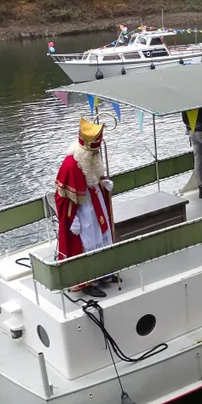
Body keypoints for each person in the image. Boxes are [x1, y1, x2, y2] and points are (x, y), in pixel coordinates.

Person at [54, 117, 115, 297]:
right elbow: (62, 197)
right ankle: (87, 280)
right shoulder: (71, 165)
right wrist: (72, 220)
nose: (96, 156)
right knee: (88, 241)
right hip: (82, 212)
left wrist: (103, 183)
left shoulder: (91, 157)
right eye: (93, 153)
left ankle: (104, 273)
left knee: (102, 235)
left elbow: (95, 176)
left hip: (96, 202)